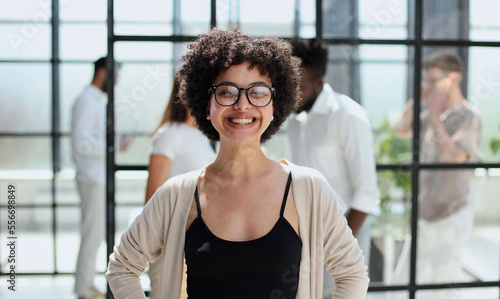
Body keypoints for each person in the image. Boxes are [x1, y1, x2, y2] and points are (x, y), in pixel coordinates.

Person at [106, 27, 369, 299]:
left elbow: (352, 275)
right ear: (206, 105)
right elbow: (122, 267)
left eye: (257, 93)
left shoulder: (308, 189)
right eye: (226, 92)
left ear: (274, 106)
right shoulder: (177, 195)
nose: (242, 105)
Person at [286, 38, 379, 298]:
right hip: (305, 237)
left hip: (344, 236)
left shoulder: (347, 116)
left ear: (318, 83)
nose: (292, 94)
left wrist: (336, 243)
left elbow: (366, 194)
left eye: (299, 87)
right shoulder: (295, 121)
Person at [393, 51, 482, 293]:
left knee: (443, 289)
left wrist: (434, 116)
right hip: (424, 216)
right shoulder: (430, 115)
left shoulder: (468, 117)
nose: (428, 86)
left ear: (452, 79)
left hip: (450, 216)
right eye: (426, 81)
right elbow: (399, 129)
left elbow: (452, 158)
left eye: (433, 81)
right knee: (402, 284)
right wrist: (418, 99)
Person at [144, 74, 215, 299]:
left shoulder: (202, 136)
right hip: (172, 243)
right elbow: (152, 195)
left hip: (199, 241)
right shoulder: (169, 135)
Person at [71, 57, 130, 299]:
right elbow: (81, 144)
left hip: (96, 177)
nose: (116, 82)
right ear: (104, 73)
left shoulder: (94, 101)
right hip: (91, 178)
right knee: (92, 235)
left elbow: (91, 140)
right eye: (115, 76)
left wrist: (115, 144)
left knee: (94, 235)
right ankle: (84, 288)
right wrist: (112, 146)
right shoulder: (86, 102)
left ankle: (85, 285)